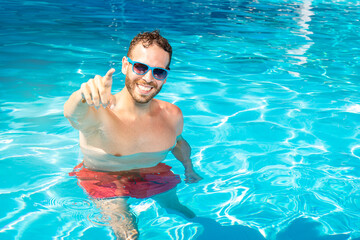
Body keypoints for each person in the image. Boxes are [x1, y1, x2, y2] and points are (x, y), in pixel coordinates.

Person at [64, 30, 203, 240]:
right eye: (140, 67)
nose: (148, 79)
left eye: (159, 72)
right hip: (103, 178)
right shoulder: (98, 112)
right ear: (125, 65)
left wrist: (188, 168)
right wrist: (82, 95)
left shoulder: (172, 115)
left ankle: (172, 205)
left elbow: (179, 143)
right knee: (129, 235)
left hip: (152, 172)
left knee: (178, 209)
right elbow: (72, 114)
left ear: (165, 77)